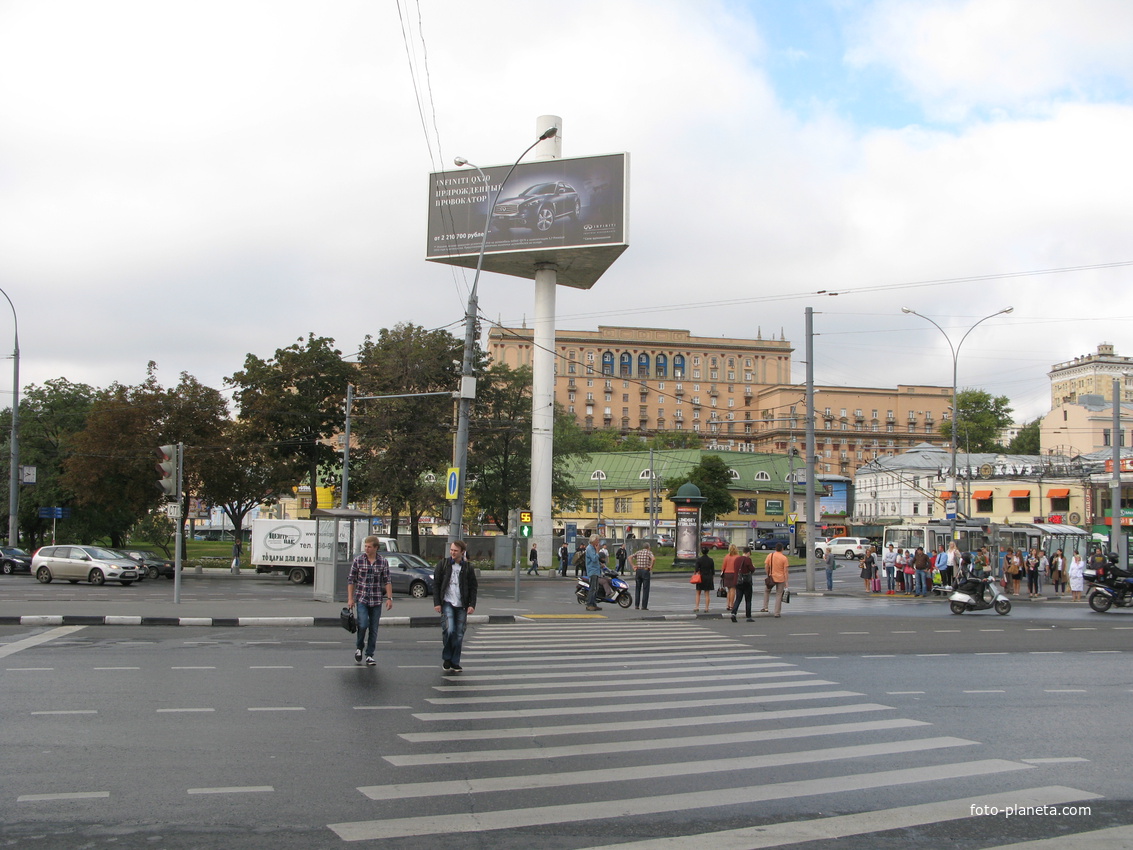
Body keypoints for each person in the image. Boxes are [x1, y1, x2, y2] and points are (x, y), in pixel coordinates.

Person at [346, 535, 393, 667]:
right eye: (365, 546)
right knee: (363, 624)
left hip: (376, 600)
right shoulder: (358, 560)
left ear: (376, 548)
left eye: (369, 547)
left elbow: (387, 581)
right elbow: (351, 580)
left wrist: (389, 598)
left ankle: (369, 655)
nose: (366, 549)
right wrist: (350, 598)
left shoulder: (383, 562)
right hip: (361, 598)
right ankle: (359, 647)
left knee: (374, 628)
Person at [433, 539, 477, 672]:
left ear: (462, 552)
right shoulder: (443, 564)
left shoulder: (468, 567)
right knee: (449, 630)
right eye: (451, 550)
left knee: (459, 634)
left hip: (462, 604)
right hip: (447, 602)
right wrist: (437, 603)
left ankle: (455, 662)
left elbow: (473, 587)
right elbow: (436, 584)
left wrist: (472, 604)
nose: (452, 552)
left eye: (455, 551)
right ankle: (447, 658)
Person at [761, 543, 790, 617]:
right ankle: (777, 613)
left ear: (775, 549)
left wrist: (768, 573)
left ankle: (765, 607)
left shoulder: (770, 555)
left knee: (767, 591)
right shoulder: (784, 558)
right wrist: (786, 583)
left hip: (772, 577)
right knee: (779, 594)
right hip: (781, 578)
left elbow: (766, 566)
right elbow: (785, 571)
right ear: (782, 549)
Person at [730, 545, 756, 621]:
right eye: (749, 553)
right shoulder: (748, 560)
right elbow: (752, 569)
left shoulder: (737, 559)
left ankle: (733, 613)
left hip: (738, 581)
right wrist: (753, 567)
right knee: (748, 599)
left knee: (738, 598)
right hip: (746, 582)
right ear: (748, 553)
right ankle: (748, 616)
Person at [632, 542, 655, 610]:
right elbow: (653, 559)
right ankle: (644, 606)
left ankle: (636, 605)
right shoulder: (649, 552)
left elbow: (630, 557)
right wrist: (651, 566)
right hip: (645, 571)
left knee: (638, 588)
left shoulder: (639, 552)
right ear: (648, 547)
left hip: (638, 570)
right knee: (645, 589)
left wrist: (633, 565)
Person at [585, 536, 605, 610]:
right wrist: (597, 551)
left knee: (596, 588)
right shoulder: (590, 548)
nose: (598, 542)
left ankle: (594, 603)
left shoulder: (592, 548)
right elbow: (594, 559)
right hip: (592, 571)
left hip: (596, 570)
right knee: (593, 588)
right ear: (593, 541)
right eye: (597, 540)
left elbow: (596, 560)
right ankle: (590, 604)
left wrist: (600, 564)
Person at [693, 545, 715, 612]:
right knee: (707, 593)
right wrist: (712, 578)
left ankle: (697, 607)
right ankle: (706, 608)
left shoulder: (699, 560)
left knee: (698, 592)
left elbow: (696, 569)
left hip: (700, 577)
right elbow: (713, 570)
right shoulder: (711, 560)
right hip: (708, 577)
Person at [720, 544, 739, 612]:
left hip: (727, 574)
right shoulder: (737, 557)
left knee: (728, 590)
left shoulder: (726, 557)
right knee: (733, 590)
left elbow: (723, 566)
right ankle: (731, 605)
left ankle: (727, 604)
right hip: (734, 574)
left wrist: (722, 573)